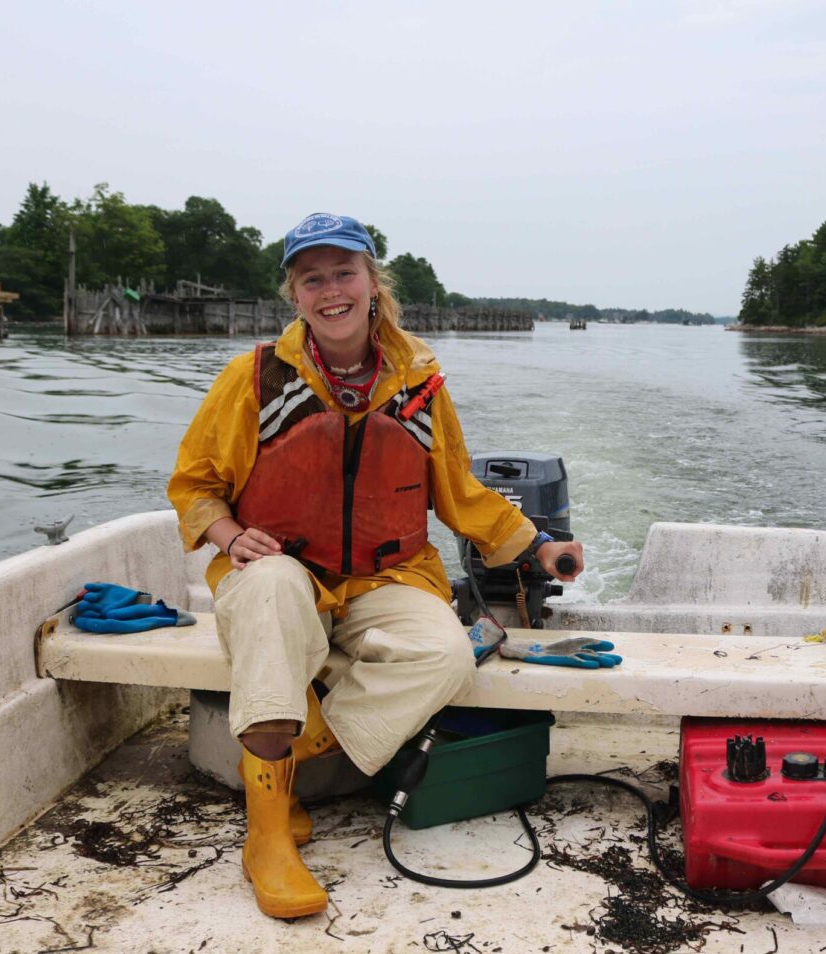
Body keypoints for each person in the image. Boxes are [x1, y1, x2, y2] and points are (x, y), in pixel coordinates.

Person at [167, 212, 583, 919]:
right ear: (294, 295)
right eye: (312, 279)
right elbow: (194, 484)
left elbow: (460, 491)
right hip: (284, 574)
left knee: (446, 654)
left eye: (344, 273)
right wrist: (230, 533)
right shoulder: (254, 378)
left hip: (387, 577)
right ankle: (267, 836)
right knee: (267, 585)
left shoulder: (420, 383)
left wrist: (538, 542)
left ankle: (283, 767)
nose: (331, 290)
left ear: (371, 282)